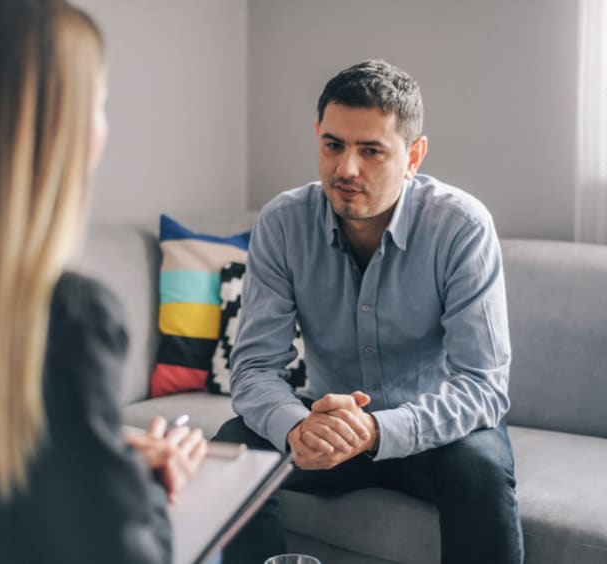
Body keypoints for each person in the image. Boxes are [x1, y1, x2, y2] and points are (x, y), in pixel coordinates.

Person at [214, 60, 524, 564]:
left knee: (481, 465)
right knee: (232, 449)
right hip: (328, 434)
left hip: (433, 435)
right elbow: (253, 369)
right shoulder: (283, 224)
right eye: (333, 144)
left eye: (371, 151)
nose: (346, 169)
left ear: (413, 156)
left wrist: (377, 430)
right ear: (317, 135)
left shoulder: (461, 227)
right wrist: (295, 426)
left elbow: (483, 386)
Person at [0, 1, 206, 562]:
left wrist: (102, 450)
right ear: (61, 128)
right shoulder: (67, 317)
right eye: (101, 104)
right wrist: (148, 487)